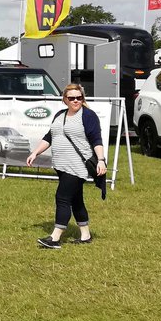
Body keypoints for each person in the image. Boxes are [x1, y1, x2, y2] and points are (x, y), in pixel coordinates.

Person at [25, 83, 106, 248]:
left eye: (79, 97)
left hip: (77, 166)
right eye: (72, 98)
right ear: (65, 100)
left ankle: (55, 238)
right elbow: (49, 136)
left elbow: (96, 139)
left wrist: (101, 160)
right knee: (76, 200)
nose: (76, 101)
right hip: (61, 165)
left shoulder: (88, 115)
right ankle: (85, 235)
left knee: (62, 197)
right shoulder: (60, 115)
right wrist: (35, 153)